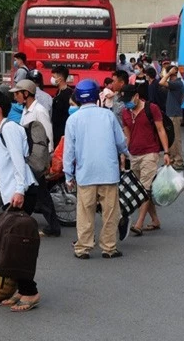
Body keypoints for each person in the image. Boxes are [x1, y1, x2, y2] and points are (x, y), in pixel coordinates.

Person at [0, 90, 41, 312]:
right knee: (11, 243)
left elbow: (18, 163)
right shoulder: (0, 132)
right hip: (14, 194)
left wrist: (18, 191)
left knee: (16, 244)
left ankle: (30, 291)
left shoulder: (9, 130)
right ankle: (22, 289)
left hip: (21, 193)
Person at [63, 79, 130, 260]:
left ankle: (83, 247)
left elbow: (69, 150)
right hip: (109, 172)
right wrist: (127, 154)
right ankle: (109, 247)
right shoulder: (107, 115)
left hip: (85, 174)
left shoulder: (73, 120)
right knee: (110, 213)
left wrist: (68, 174)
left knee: (85, 212)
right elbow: (120, 141)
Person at [11, 79, 60, 237]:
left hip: (37, 159)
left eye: (18, 93)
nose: (15, 96)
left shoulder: (39, 110)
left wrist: (47, 159)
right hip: (29, 157)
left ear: (26, 94)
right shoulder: (26, 110)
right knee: (35, 192)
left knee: (41, 193)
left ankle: (53, 226)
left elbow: (48, 136)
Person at [121, 84, 170, 235]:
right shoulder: (125, 113)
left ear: (136, 96)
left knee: (145, 188)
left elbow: (161, 130)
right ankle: (155, 220)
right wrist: (123, 153)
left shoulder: (151, 108)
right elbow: (127, 135)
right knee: (139, 190)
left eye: (129, 99)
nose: (127, 103)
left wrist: (167, 152)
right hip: (133, 154)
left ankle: (139, 224)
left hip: (150, 152)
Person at [159, 64, 184, 171]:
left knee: (176, 139)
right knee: (171, 138)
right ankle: (171, 160)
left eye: (167, 72)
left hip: (174, 114)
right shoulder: (175, 84)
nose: (165, 75)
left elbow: (161, 82)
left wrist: (169, 73)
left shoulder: (177, 83)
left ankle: (178, 161)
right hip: (171, 112)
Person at [51, 65, 73, 147]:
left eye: (54, 77)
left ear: (60, 78)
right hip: (56, 130)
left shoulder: (68, 93)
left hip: (63, 131)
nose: (52, 79)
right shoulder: (58, 92)